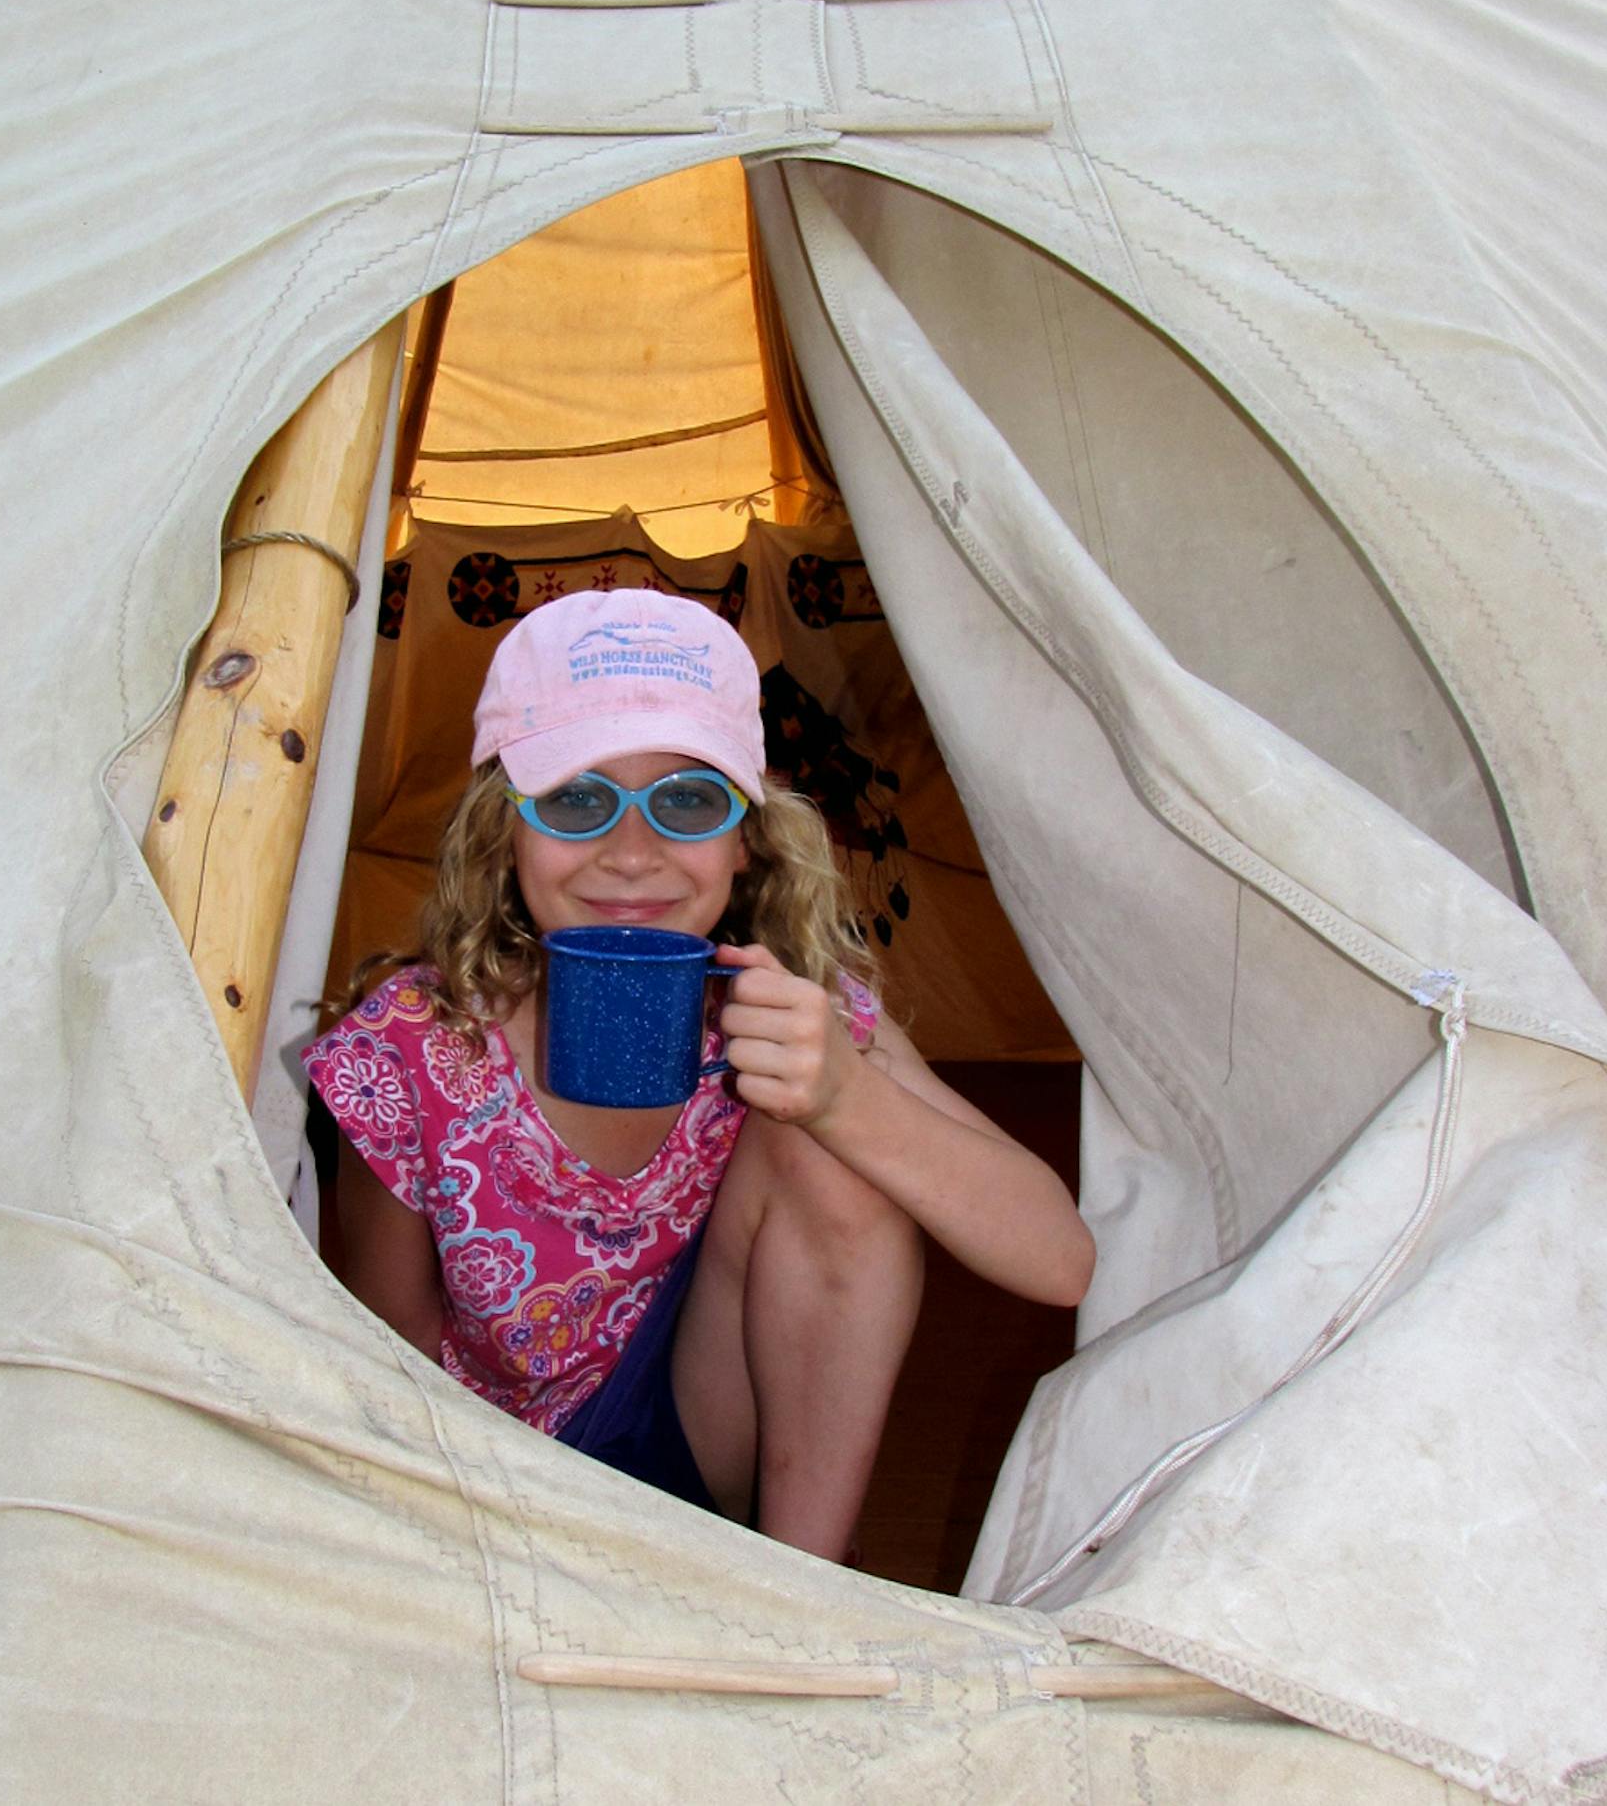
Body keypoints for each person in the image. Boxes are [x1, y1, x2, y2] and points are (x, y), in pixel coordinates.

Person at [304, 588, 1093, 1563]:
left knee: (836, 1148)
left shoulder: (797, 1005)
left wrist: (847, 1094)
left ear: (747, 835)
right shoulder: (411, 1047)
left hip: (701, 1434)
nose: (631, 853)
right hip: (498, 1486)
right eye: (576, 797)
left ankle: (802, 1597)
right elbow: (389, 1361)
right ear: (501, 829)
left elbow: (1061, 1261)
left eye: (686, 799)